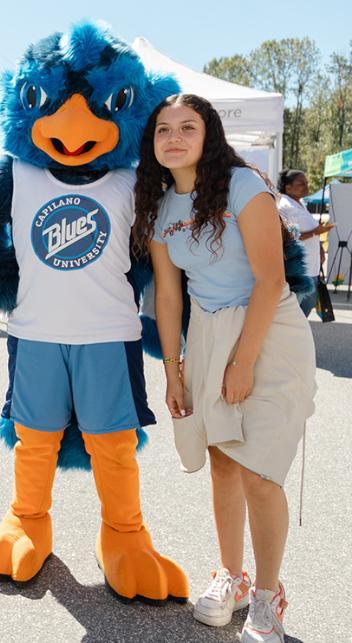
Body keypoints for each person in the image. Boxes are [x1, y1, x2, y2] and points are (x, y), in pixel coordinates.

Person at [134, 94, 317, 643]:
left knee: (259, 472)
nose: (174, 137)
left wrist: (242, 362)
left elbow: (271, 280)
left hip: (268, 329)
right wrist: (173, 371)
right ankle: (232, 578)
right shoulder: (160, 208)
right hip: (208, 334)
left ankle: (267, 595)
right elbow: (169, 297)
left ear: (208, 134)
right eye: (163, 129)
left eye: (187, 127)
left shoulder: (243, 186)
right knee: (223, 463)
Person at [276, 169, 335, 317]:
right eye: (301, 183)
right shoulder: (285, 206)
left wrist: (320, 248)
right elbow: (286, 237)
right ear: (288, 187)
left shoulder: (299, 203)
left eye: (306, 183)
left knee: (303, 313)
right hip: (300, 273)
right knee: (295, 316)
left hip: (311, 269)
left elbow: (312, 231)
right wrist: (316, 232)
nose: (306, 186)